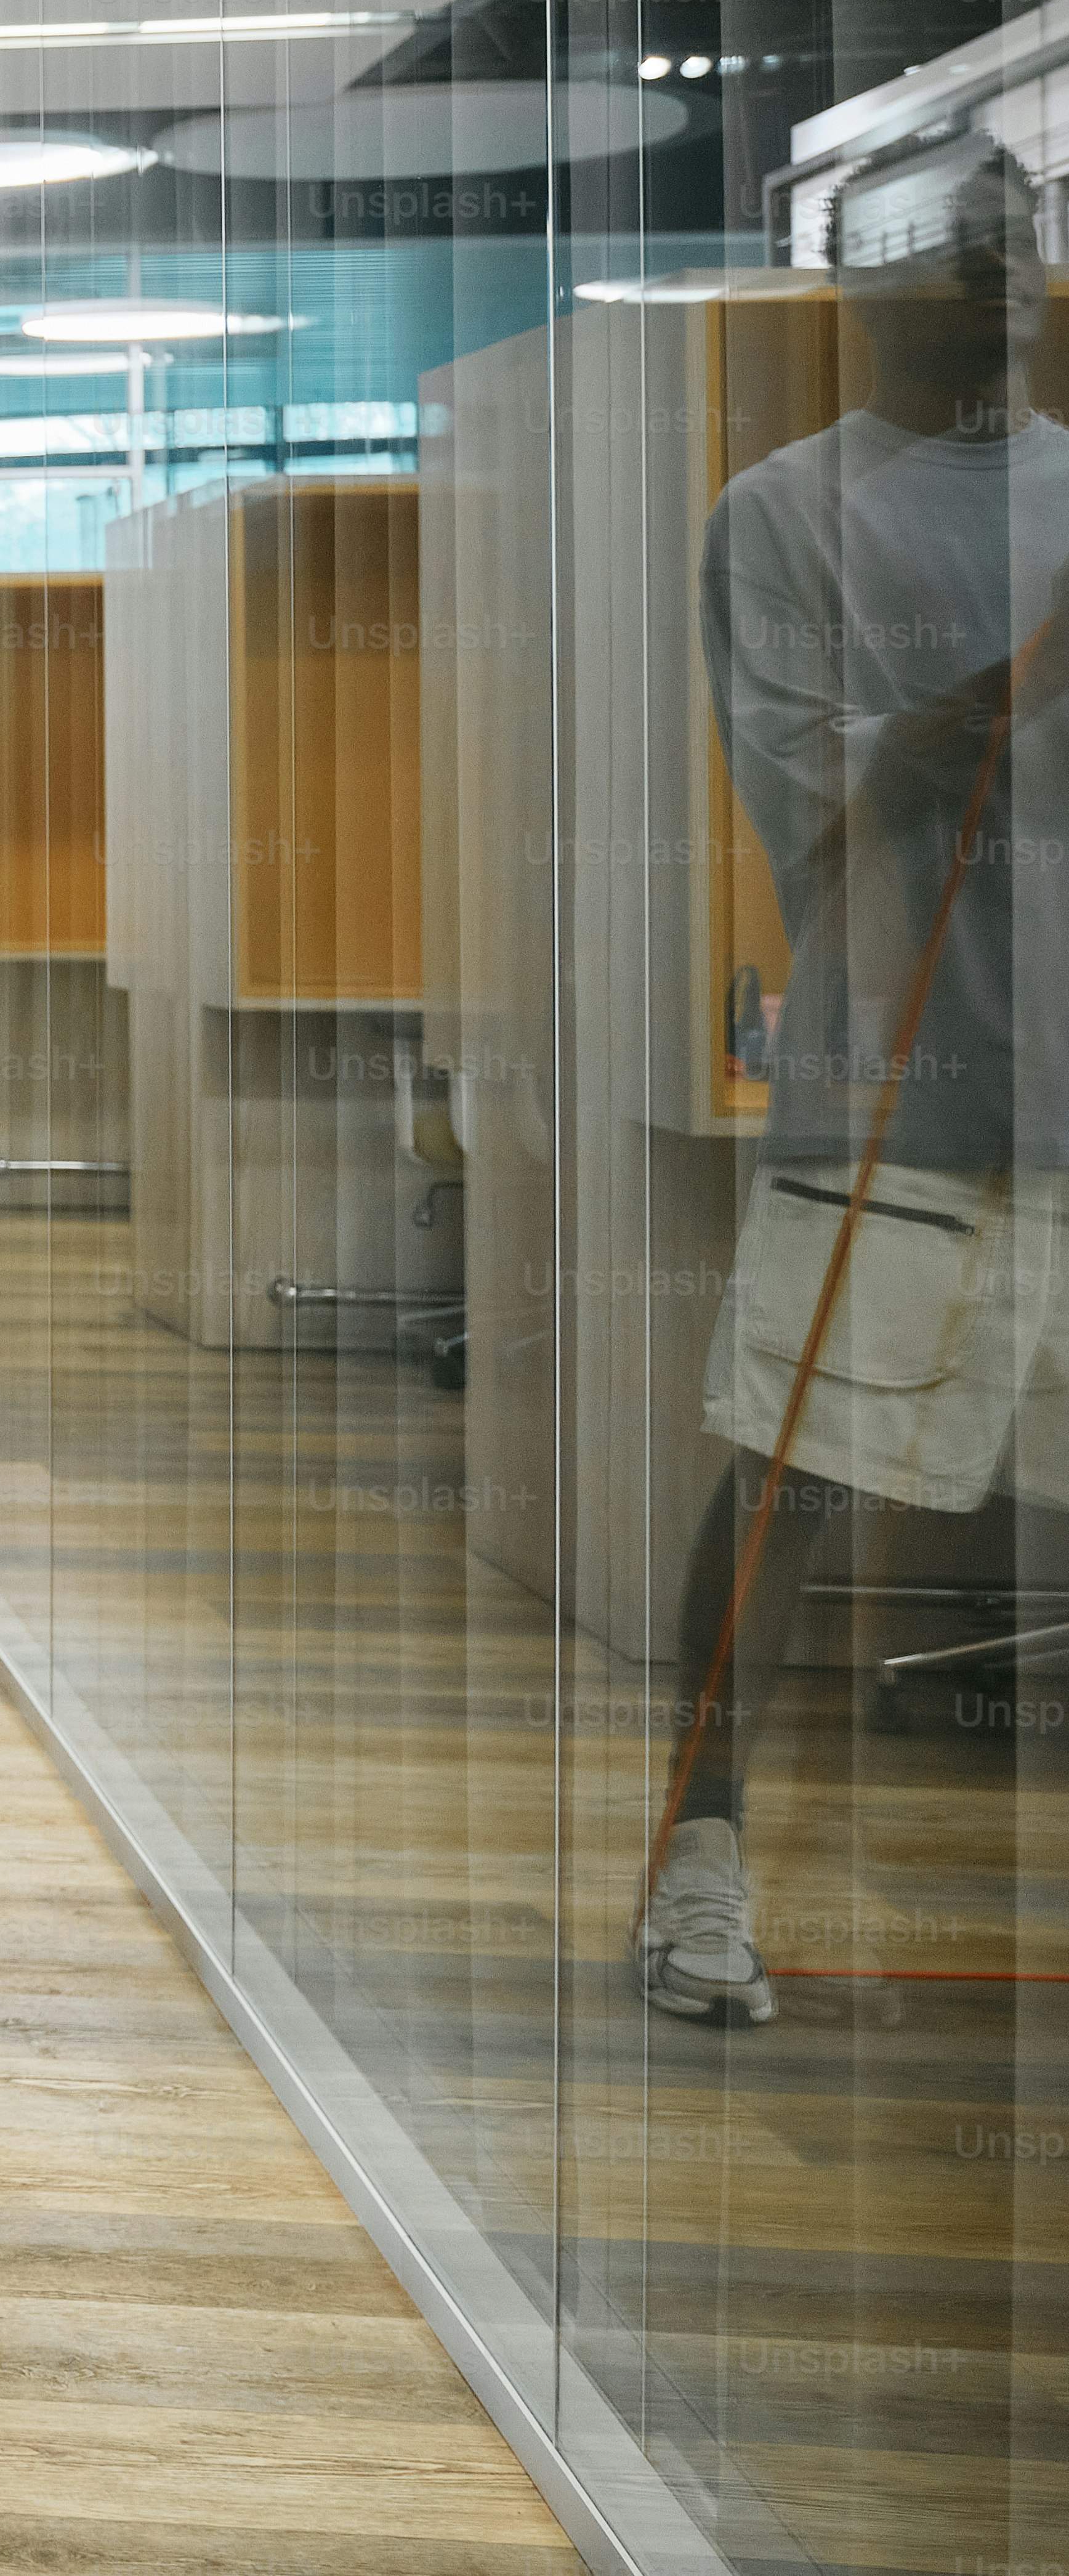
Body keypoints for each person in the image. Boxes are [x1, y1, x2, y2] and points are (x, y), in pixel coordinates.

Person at [653, 130, 1069, 2023]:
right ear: (864, 288)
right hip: (898, 1088)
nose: (998, 277)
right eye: (954, 251)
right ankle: (703, 1856)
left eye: (1020, 241)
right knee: (787, 1481)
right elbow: (849, 804)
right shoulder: (786, 513)